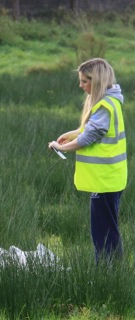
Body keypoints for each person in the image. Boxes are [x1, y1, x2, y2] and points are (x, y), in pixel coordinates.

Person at [48, 58, 127, 262]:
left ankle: (104, 274)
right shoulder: (110, 102)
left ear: (97, 80)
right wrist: (71, 134)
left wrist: (62, 147)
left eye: (84, 81)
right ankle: (114, 272)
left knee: (102, 232)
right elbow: (89, 130)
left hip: (103, 180)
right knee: (109, 228)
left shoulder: (105, 106)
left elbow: (89, 137)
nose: (81, 85)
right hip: (111, 179)